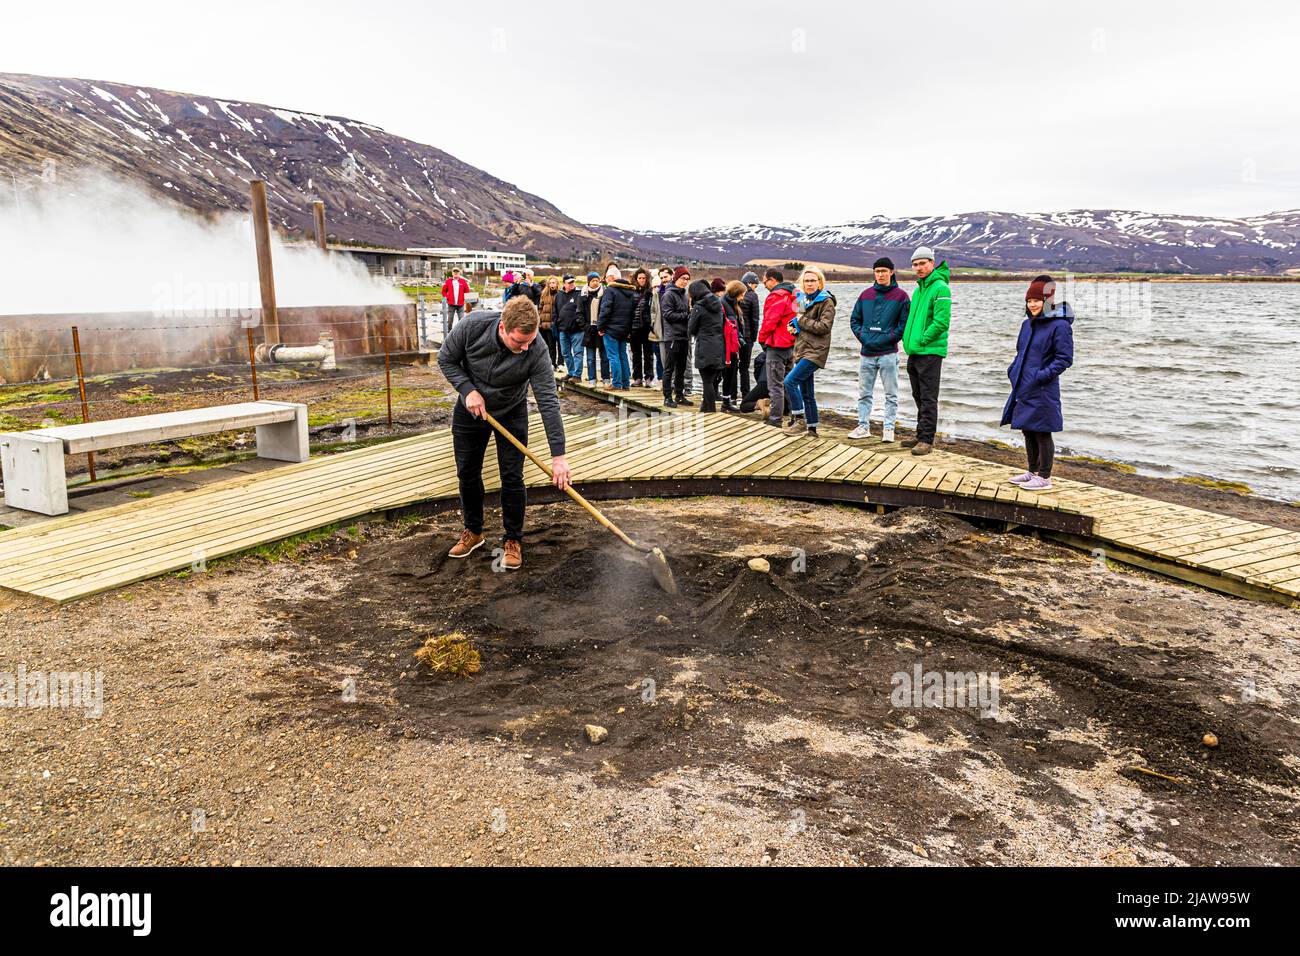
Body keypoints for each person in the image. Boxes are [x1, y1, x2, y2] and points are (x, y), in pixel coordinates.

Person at [437, 297, 571, 570]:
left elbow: (548, 400)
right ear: (502, 328)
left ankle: (513, 540)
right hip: (471, 408)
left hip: (511, 411)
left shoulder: (536, 348)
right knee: (467, 472)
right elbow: (446, 359)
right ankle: (473, 531)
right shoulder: (472, 326)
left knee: (512, 475)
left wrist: (559, 455)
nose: (524, 348)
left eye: (529, 342)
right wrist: (467, 390)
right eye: (518, 342)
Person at [1002, 276, 1074, 492]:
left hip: (1043, 387)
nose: (1032, 304)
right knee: (1027, 428)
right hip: (1023, 385)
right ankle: (1032, 471)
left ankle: (1044, 477)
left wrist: (1041, 376)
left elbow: (1064, 358)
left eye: (1037, 300)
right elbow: (1020, 352)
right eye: (1029, 300)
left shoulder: (1059, 326)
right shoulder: (1027, 325)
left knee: (1042, 431)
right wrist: (1013, 370)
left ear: (1048, 301)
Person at [847, 256, 910, 442]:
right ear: (874, 273)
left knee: (891, 394)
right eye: (877, 271)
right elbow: (854, 320)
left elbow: (903, 325)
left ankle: (889, 429)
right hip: (866, 354)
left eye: (884, 271)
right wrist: (864, 338)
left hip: (888, 354)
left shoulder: (901, 297)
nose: (881, 274)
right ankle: (863, 426)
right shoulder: (865, 295)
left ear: (892, 272)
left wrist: (888, 338)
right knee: (864, 393)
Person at [901, 246, 951, 456]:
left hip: (929, 351)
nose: (919, 267)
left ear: (932, 263)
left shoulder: (940, 287)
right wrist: (909, 340)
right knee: (918, 395)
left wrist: (922, 339)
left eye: (923, 263)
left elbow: (941, 322)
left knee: (929, 397)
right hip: (915, 351)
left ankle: (926, 440)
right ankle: (920, 433)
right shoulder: (919, 289)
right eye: (915, 264)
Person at [782, 267, 836, 437]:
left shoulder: (826, 301)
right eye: (806, 281)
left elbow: (824, 327)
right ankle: (812, 429)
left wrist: (801, 321)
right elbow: (797, 321)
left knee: (789, 381)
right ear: (802, 283)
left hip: (816, 352)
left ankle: (799, 419)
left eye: (813, 280)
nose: (810, 284)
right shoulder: (801, 300)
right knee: (807, 392)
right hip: (801, 349)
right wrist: (793, 328)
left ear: (820, 282)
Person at [757, 268, 797, 428]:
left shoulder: (776, 296)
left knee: (775, 385)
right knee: (790, 383)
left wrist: (761, 338)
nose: (764, 285)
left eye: (765, 281)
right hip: (791, 344)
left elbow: (770, 321)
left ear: (772, 280)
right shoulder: (795, 294)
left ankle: (775, 419)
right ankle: (796, 416)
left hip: (777, 344)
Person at [688, 278, 726, 412]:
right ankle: (705, 407)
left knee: (707, 381)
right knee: (710, 379)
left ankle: (710, 409)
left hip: (704, 346)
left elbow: (691, 329)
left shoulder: (698, 307)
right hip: (718, 345)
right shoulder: (718, 304)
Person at [597, 264, 636, 390]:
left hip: (611, 329)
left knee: (613, 356)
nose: (606, 280)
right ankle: (626, 383)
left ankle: (617, 383)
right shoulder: (630, 292)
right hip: (624, 329)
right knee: (623, 355)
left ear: (612, 277)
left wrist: (600, 327)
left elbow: (605, 310)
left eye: (607, 277)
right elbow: (633, 312)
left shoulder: (610, 290)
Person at [660, 266, 693, 407]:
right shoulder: (668, 295)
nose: (685, 281)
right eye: (682, 278)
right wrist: (687, 316)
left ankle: (679, 395)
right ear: (675, 279)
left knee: (682, 368)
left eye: (687, 279)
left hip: (684, 337)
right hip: (672, 336)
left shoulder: (684, 295)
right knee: (669, 368)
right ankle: (667, 397)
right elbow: (667, 315)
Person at [580, 272, 610, 385]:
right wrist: (585, 327)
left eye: (597, 280)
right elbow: (579, 313)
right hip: (589, 330)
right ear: (589, 281)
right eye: (593, 280)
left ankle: (606, 378)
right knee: (590, 358)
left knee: (605, 357)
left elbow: (607, 311)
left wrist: (602, 326)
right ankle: (592, 379)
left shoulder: (605, 293)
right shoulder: (583, 295)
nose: (595, 282)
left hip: (602, 329)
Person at [629, 267, 657, 387]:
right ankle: (637, 378)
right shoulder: (631, 293)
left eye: (644, 278)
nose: (641, 280)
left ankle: (649, 378)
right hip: (634, 328)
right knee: (636, 354)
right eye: (639, 278)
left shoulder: (651, 293)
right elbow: (628, 311)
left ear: (647, 279)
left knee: (648, 354)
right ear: (636, 279)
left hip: (647, 328)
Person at [553, 274, 585, 379]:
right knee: (565, 353)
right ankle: (571, 372)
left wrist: (580, 323)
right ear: (564, 284)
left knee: (578, 353)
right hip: (563, 330)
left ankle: (577, 375)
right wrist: (556, 323)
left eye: (573, 282)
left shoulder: (579, 294)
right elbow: (556, 311)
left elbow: (583, 311)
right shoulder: (559, 295)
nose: (572, 284)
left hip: (577, 330)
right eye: (569, 282)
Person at [722, 279, 747, 410]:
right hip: (726, 345)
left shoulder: (734, 305)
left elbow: (737, 326)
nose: (743, 297)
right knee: (726, 373)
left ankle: (726, 400)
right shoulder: (724, 304)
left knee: (731, 373)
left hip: (734, 343)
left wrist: (740, 339)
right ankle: (724, 401)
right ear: (736, 292)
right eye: (742, 294)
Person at [738, 272, 762, 397]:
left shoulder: (734, 293)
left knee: (731, 366)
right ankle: (745, 394)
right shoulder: (752, 296)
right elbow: (755, 319)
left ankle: (731, 395)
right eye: (755, 285)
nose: (755, 288)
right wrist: (754, 338)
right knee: (744, 368)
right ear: (749, 283)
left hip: (734, 335)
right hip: (747, 337)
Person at [538, 275, 560, 368]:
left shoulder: (559, 294)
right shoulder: (544, 294)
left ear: (557, 284)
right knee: (544, 346)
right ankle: (545, 364)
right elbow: (540, 308)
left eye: (553, 282)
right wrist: (539, 322)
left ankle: (553, 364)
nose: (552, 284)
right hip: (543, 324)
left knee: (552, 346)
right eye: (550, 282)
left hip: (552, 324)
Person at [441, 268, 470, 337]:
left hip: (461, 304)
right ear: (452, 273)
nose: (456, 273)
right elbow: (443, 291)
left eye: (457, 272)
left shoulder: (463, 281)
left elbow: (467, 291)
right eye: (454, 272)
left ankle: (461, 333)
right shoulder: (448, 281)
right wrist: (446, 297)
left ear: (459, 273)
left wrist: (465, 299)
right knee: (450, 319)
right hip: (451, 304)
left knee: (461, 319)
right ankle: (449, 332)